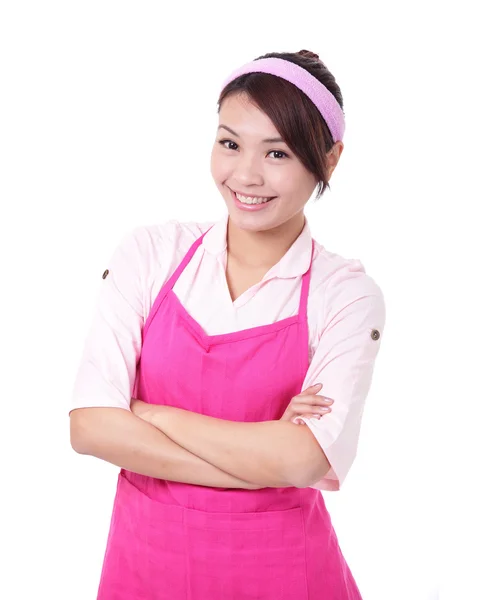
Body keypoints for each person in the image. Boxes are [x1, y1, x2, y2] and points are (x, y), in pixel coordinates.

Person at [69, 49, 386, 599]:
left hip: (285, 574)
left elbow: (304, 458)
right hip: (146, 571)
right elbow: (90, 427)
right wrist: (260, 463)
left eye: (277, 153)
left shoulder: (345, 295)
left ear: (329, 160)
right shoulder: (152, 254)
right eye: (230, 143)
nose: (245, 175)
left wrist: (147, 415)